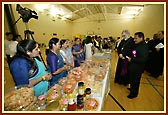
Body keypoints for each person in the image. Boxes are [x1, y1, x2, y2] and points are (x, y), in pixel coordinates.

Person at [127, 32, 148, 99]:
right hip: (134, 66)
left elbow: (143, 59)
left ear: (141, 38)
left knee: (135, 80)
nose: (134, 40)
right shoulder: (138, 45)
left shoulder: (143, 47)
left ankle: (134, 94)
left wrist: (132, 59)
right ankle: (132, 89)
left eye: (136, 38)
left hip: (137, 68)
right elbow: (135, 54)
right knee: (132, 79)